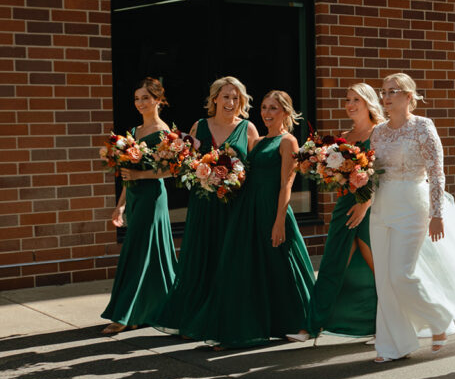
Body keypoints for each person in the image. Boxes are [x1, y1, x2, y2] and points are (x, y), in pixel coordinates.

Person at [365, 72, 455, 363]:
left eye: (393, 91)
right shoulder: (378, 131)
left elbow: (436, 172)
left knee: (400, 274)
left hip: (412, 206)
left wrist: (437, 214)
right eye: (383, 91)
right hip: (381, 207)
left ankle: (439, 316)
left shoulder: (423, 127)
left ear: (409, 96)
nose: (386, 96)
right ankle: (393, 344)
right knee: (384, 278)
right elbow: (373, 170)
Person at [181, 90, 313, 349]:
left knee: (285, 266)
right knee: (253, 270)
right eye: (264, 107)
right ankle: (258, 326)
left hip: (273, 210)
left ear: (285, 111)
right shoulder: (260, 140)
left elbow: (287, 185)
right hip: (249, 211)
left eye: (273, 108)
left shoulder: (288, 142)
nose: (267, 113)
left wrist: (278, 221)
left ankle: (305, 323)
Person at [153, 76, 259, 335]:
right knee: (201, 258)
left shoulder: (248, 129)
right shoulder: (199, 126)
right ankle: (194, 314)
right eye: (225, 96)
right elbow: (185, 165)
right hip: (203, 205)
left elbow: (256, 171)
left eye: (236, 97)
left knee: (230, 260)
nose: (231, 102)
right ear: (214, 99)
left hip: (235, 207)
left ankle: (227, 317)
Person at [293, 84, 384, 342]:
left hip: (371, 208)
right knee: (332, 264)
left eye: (356, 99)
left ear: (368, 103)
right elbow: (335, 176)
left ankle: (388, 324)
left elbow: (382, 173)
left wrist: (364, 202)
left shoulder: (380, 133)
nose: (351, 104)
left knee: (379, 270)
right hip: (344, 206)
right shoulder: (343, 137)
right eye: (348, 100)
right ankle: (312, 326)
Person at [100, 77, 177, 334]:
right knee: (146, 254)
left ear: (158, 99)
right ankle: (147, 311)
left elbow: (170, 171)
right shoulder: (132, 133)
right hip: (133, 197)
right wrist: (120, 205)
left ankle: (125, 315)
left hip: (152, 198)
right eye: (137, 98)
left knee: (138, 253)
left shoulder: (165, 132)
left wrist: (140, 177)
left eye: (146, 97)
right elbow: (126, 174)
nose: (140, 103)